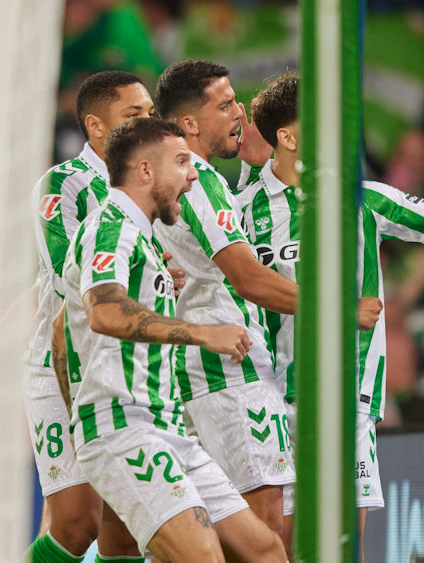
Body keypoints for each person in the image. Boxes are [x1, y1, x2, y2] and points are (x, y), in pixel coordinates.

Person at [236, 72, 424, 561]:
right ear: (288, 138)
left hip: (347, 401)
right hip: (270, 400)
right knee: (277, 551)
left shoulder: (361, 197)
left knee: (340, 549)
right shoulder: (241, 211)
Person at [56, 117, 284, 562]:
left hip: (166, 426)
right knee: (202, 557)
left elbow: (62, 331)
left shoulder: (141, 238)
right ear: (145, 171)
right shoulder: (112, 225)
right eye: (181, 162)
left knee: (265, 551)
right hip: (124, 429)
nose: (193, 173)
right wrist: (203, 334)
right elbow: (103, 311)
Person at [153, 60, 299, 537]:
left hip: (195, 377)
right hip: (231, 377)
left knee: (215, 541)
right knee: (265, 537)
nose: (240, 112)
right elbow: (248, 279)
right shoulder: (199, 177)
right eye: (225, 105)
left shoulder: (173, 177)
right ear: (190, 124)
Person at [25, 71, 156, 563]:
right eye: (134, 115)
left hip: (132, 367)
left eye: (150, 112)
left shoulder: (154, 177)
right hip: (60, 363)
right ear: (96, 127)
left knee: (125, 528)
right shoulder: (62, 185)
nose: (148, 121)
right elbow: (67, 277)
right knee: (78, 524)